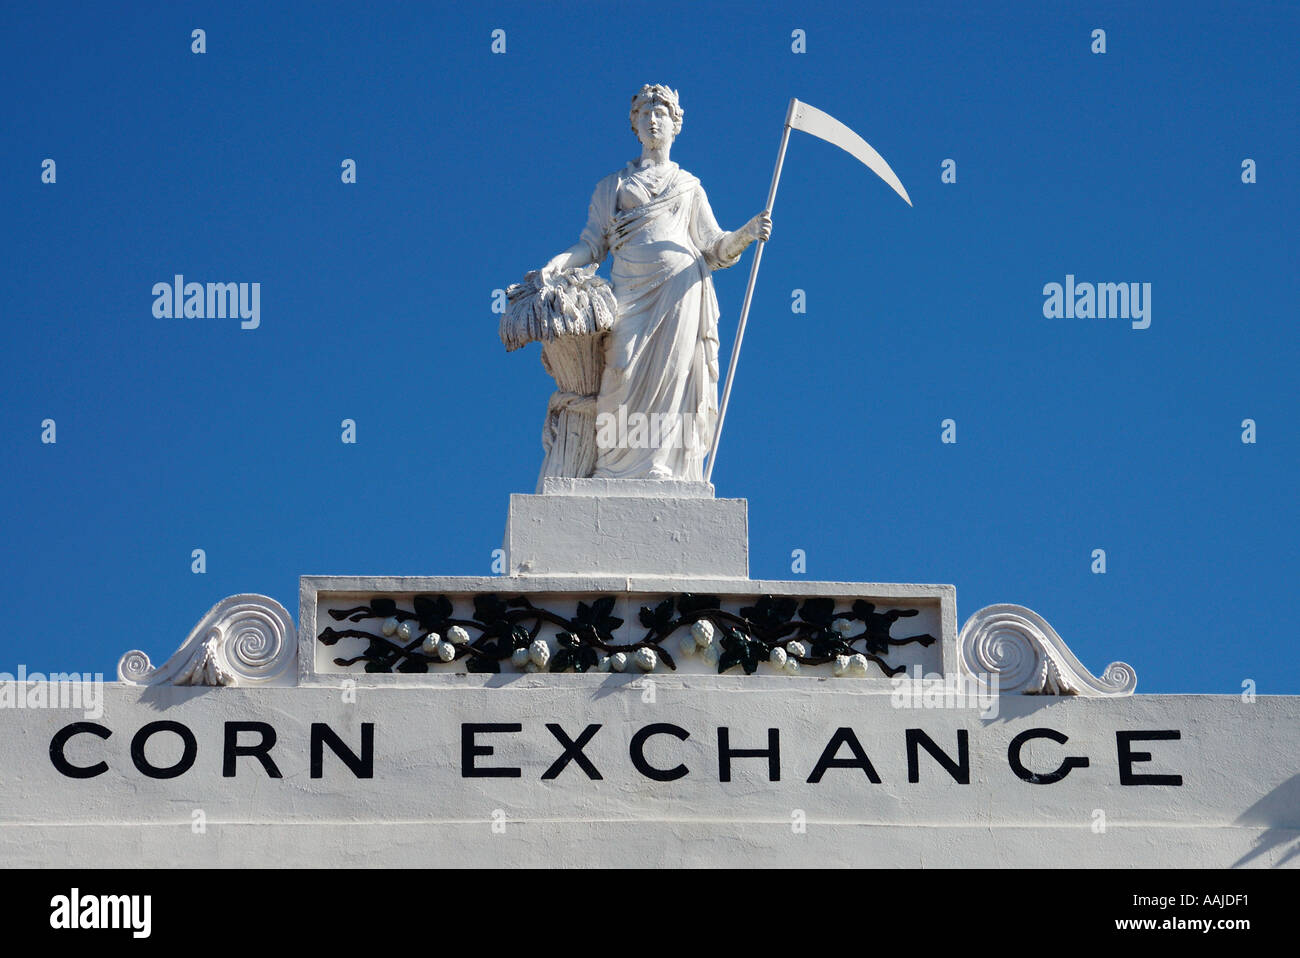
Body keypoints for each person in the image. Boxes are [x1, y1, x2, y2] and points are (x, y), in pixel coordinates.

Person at [541, 84, 772, 481]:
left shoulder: (689, 187)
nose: (652, 120)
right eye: (644, 113)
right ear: (634, 124)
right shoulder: (611, 185)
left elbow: (714, 246)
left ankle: (660, 465)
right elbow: (592, 243)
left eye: (660, 113)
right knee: (621, 370)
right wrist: (556, 263)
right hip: (629, 292)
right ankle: (612, 468)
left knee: (675, 379)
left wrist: (746, 234)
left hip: (682, 291)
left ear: (675, 123)